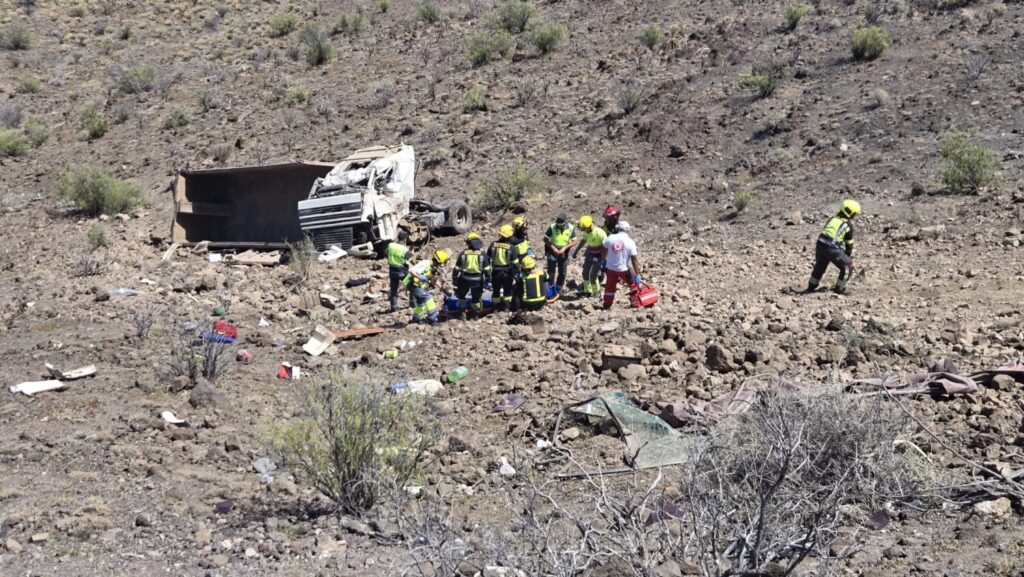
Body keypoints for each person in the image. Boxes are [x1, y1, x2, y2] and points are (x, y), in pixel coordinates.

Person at [806, 199, 860, 295]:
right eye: (854, 213)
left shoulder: (832, 219)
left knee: (820, 265)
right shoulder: (847, 225)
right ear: (850, 213)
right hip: (832, 247)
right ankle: (840, 288)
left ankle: (812, 285)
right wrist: (847, 258)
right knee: (847, 266)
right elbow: (849, 244)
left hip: (820, 244)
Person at [402, 249, 450, 324]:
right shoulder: (425, 263)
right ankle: (433, 319)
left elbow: (433, 281)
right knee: (428, 298)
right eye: (442, 263)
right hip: (413, 284)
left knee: (421, 304)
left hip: (419, 286)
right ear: (439, 262)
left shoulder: (434, 267)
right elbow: (411, 270)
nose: (442, 265)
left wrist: (442, 289)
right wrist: (419, 276)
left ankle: (416, 319)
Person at [601, 221, 641, 310]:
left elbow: (603, 250)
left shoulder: (610, 238)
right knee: (634, 285)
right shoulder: (630, 242)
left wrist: (603, 261)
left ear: (617, 228)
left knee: (610, 287)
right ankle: (634, 303)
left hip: (610, 268)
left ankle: (607, 305)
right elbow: (634, 260)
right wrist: (637, 274)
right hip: (623, 269)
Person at [452, 232, 489, 318]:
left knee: (461, 296)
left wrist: (455, 279)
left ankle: (462, 314)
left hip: (464, 279)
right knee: (476, 299)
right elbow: (487, 270)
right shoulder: (482, 255)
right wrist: (487, 280)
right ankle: (475, 315)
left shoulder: (463, 254)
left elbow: (456, 269)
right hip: (478, 280)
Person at [544, 213, 578, 297]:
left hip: (564, 252)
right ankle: (550, 289)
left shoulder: (570, 228)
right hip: (552, 250)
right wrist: (553, 248)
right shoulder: (552, 227)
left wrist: (565, 248)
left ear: (566, 222)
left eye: (561, 225)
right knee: (551, 272)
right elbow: (545, 239)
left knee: (562, 272)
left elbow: (575, 241)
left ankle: (559, 289)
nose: (559, 226)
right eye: (558, 224)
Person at [572, 215, 607, 297]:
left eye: (583, 228)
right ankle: (587, 291)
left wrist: (603, 260)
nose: (582, 230)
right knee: (585, 273)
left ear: (589, 226)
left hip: (599, 256)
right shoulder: (586, 232)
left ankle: (596, 292)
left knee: (593, 276)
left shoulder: (600, 233)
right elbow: (583, 240)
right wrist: (576, 251)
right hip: (590, 254)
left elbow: (606, 247)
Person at [488, 225, 516, 311]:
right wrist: (518, 271)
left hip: (495, 272)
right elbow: (515, 263)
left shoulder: (493, 245)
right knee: (507, 290)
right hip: (507, 273)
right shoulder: (511, 247)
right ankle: (507, 307)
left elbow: (488, 258)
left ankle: (495, 308)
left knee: (496, 290)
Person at [386, 229, 414, 313]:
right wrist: (412, 252)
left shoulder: (391, 245)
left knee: (393, 290)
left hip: (392, 271)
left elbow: (386, 252)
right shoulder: (404, 249)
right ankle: (413, 303)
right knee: (412, 286)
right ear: (405, 239)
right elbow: (413, 260)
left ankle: (393, 308)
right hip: (402, 271)